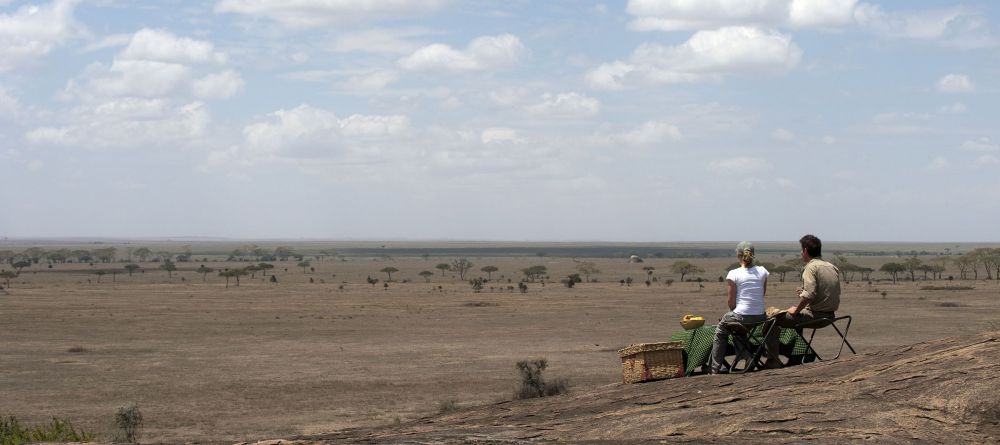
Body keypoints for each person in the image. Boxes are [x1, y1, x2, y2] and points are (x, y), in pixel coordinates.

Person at [762, 234, 841, 369]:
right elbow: (826, 292)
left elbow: (809, 295)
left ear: (805, 250)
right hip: (830, 316)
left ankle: (772, 360)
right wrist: (803, 293)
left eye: (801, 250)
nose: (800, 253)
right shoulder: (831, 266)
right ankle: (797, 357)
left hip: (816, 316)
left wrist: (797, 309)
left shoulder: (810, 267)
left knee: (771, 320)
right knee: (793, 318)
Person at [708, 241, 768, 374]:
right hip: (760, 317)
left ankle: (714, 369)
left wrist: (734, 311)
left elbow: (731, 303)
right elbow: (761, 294)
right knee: (737, 330)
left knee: (721, 331)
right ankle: (748, 358)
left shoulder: (733, 273)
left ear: (738, 255)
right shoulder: (763, 271)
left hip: (742, 316)